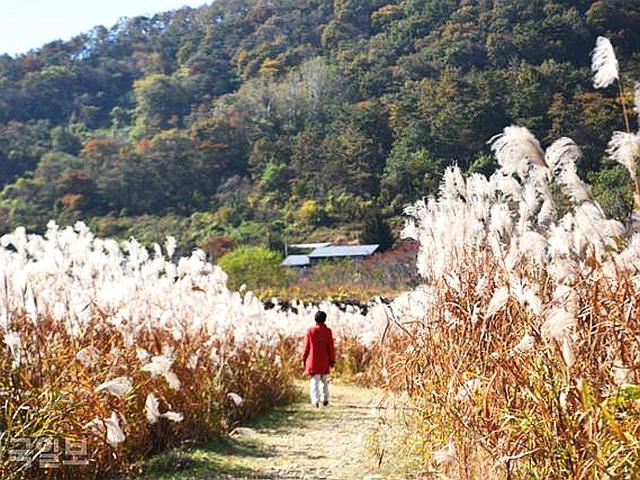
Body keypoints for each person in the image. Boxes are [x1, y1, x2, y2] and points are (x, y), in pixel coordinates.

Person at [302, 310, 336, 407]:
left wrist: (303, 357)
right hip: (325, 360)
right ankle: (325, 399)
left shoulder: (310, 331)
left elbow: (306, 346)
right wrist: (332, 360)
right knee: (324, 381)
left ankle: (315, 400)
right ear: (325, 319)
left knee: (314, 381)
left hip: (313, 360)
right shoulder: (328, 331)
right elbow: (331, 347)